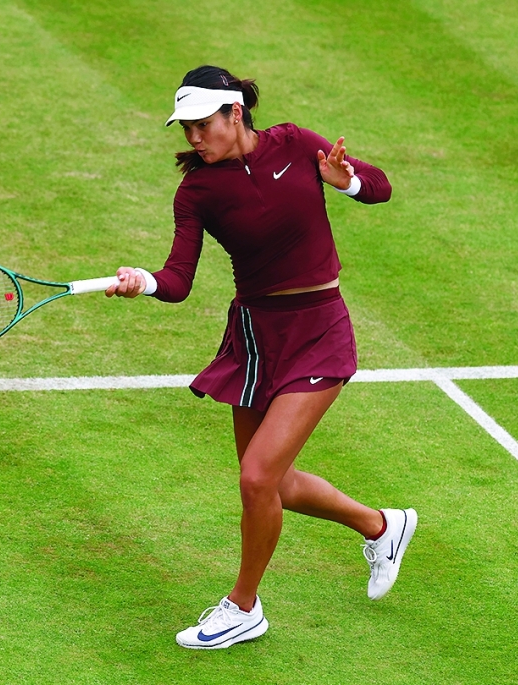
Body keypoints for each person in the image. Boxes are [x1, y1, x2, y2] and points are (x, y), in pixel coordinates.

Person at [106, 65, 417, 650]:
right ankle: (381, 525)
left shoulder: (296, 144)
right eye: (186, 128)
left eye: (202, 124)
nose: (193, 137)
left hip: (320, 331)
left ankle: (243, 606)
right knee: (270, 482)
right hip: (253, 338)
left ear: (235, 113)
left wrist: (345, 181)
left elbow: (381, 186)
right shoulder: (196, 191)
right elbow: (178, 280)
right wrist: (141, 281)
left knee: (256, 477)